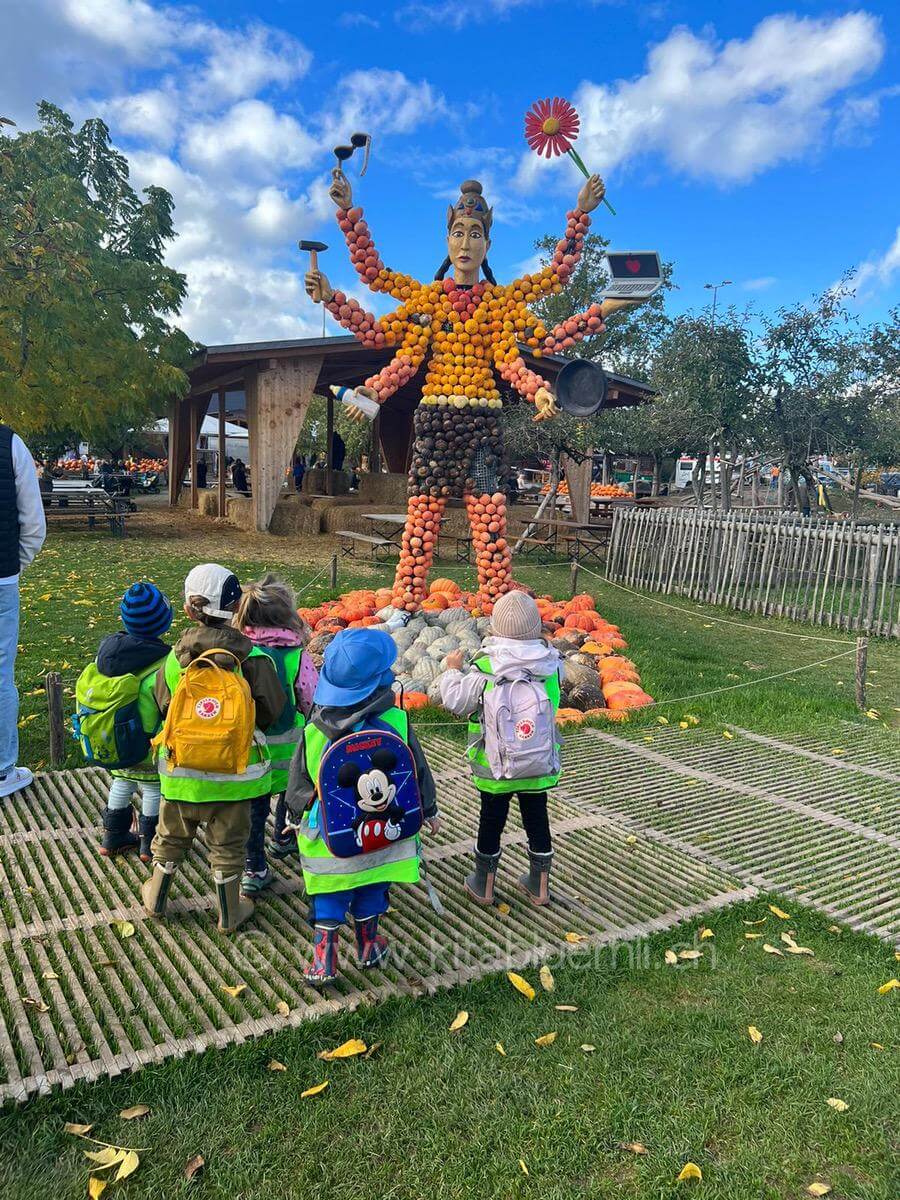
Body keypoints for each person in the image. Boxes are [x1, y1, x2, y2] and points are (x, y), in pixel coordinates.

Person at [285, 628, 439, 984]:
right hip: (385, 840)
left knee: (329, 895)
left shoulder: (314, 731)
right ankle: (369, 947)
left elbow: (298, 784)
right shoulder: (398, 721)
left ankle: (324, 960)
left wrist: (294, 818)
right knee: (372, 887)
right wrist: (429, 811)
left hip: (331, 840)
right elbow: (418, 771)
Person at [142, 564, 284, 932]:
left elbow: (163, 705)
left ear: (189, 610)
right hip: (236, 776)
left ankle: (156, 896)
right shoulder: (255, 660)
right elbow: (271, 709)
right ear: (237, 608)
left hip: (181, 772)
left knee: (171, 835)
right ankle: (229, 912)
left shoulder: (176, 660)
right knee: (228, 845)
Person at [440, 591, 562, 907]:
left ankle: (484, 884)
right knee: (537, 818)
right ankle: (540, 886)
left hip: (495, 768)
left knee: (491, 820)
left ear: (496, 628)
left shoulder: (486, 666)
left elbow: (457, 702)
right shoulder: (550, 666)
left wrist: (453, 670)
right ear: (536, 627)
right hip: (536, 766)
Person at [233, 573, 318, 893]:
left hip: (252, 746)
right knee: (290, 792)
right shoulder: (296, 655)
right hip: (290, 744)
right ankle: (283, 837)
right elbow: (310, 697)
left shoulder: (240, 653)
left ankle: (253, 867)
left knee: (255, 805)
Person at [88, 583, 173, 859]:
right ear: (164, 622)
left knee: (121, 784)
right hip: (147, 743)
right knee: (151, 788)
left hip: (117, 742)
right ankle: (149, 843)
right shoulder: (164, 663)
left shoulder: (107, 655)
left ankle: (112, 838)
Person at [0, 425, 47, 798]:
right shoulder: (10, 442)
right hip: (0, 580)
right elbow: (33, 523)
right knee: (0, 675)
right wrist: (13, 567)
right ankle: (2, 769)